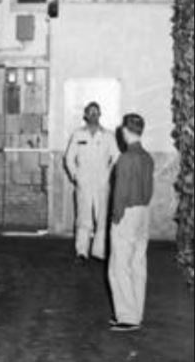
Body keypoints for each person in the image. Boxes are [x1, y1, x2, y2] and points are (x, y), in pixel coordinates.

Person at [108, 113, 154, 332]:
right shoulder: (147, 157)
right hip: (143, 212)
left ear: (126, 131)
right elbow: (150, 190)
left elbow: (120, 193)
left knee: (119, 267)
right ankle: (137, 313)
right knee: (138, 264)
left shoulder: (125, 158)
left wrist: (116, 217)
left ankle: (127, 316)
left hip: (126, 214)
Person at [64, 101, 119, 263]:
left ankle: (99, 252)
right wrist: (76, 176)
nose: (94, 114)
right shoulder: (78, 135)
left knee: (102, 218)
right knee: (83, 219)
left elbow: (116, 157)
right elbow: (68, 159)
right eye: (91, 112)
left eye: (97, 112)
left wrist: (109, 174)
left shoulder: (108, 135)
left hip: (102, 184)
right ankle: (81, 252)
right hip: (84, 184)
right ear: (85, 115)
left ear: (100, 115)